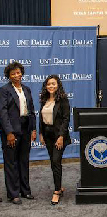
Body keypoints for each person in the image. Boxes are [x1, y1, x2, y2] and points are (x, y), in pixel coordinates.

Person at [0, 62, 36, 205]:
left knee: (23, 161)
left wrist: (33, 129)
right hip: (11, 131)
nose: (17, 75)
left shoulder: (27, 89)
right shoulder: (4, 90)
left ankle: (25, 190)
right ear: (9, 76)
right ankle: (13, 193)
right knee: (11, 163)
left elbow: (32, 111)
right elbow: (2, 113)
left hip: (25, 129)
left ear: (22, 73)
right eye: (13, 73)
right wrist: (9, 132)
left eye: (18, 72)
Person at [39, 75, 71, 205]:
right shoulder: (44, 99)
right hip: (47, 135)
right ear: (45, 86)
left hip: (59, 136)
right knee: (53, 162)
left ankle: (57, 191)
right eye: (48, 84)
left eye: (53, 84)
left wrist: (61, 136)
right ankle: (59, 185)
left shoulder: (62, 99)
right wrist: (41, 133)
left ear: (58, 85)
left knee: (56, 161)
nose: (51, 86)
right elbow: (40, 118)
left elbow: (66, 119)